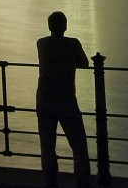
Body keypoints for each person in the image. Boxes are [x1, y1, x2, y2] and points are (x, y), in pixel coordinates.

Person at [36, 10, 91, 188]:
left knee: (47, 147)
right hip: (66, 100)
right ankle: (82, 183)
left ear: (49, 27)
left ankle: (50, 183)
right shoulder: (73, 44)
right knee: (79, 146)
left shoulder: (41, 43)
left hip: (44, 99)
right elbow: (84, 63)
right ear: (65, 26)